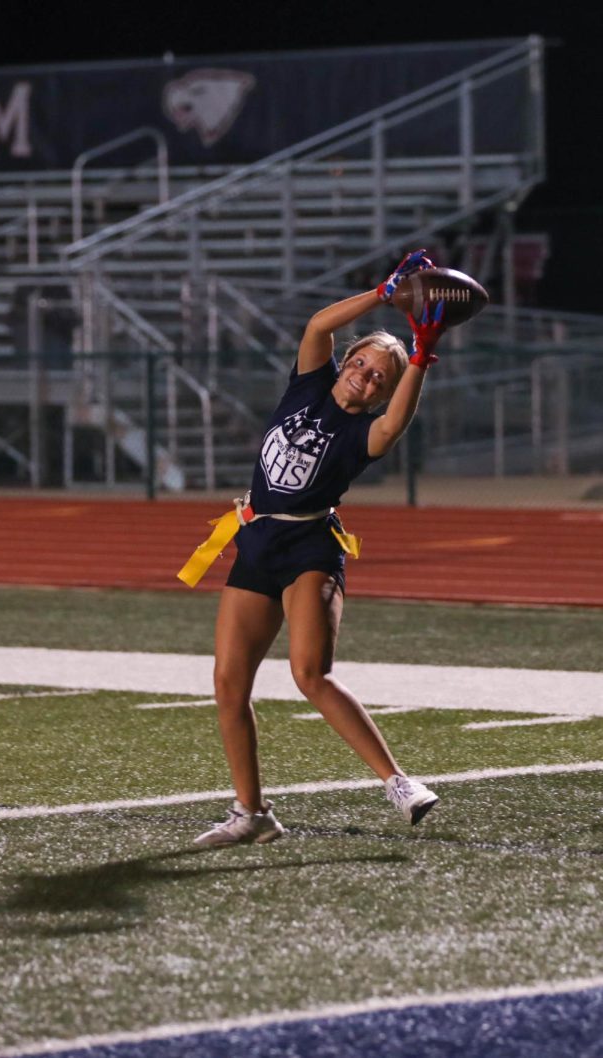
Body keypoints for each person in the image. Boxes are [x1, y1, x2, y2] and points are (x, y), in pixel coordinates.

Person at [180, 250, 447, 847]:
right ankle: (251, 814)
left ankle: (398, 783)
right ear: (347, 361)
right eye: (362, 363)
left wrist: (421, 359)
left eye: (379, 377)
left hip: (309, 545)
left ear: (383, 392)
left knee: (310, 673)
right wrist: (384, 293)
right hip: (256, 538)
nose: (365, 376)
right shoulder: (308, 385)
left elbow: (394, 425)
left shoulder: (365, 431)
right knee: (228, 683)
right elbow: (318, 327)